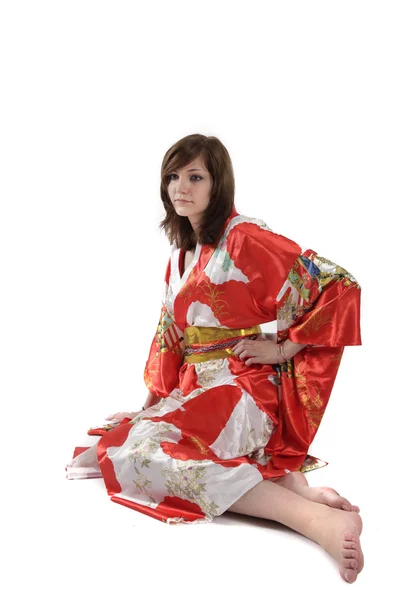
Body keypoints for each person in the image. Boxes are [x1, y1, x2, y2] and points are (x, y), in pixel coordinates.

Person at [66, 134, 363, 583]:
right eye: (173, 177)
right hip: (199, 388)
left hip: (244, 388)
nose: (180, 187)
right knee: (109, 448)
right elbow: (171, 337)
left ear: (217, 182)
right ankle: (292, 486)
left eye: (195, 176)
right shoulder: (181, 251)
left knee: (143, 455)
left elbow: (337, 285)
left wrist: (283, 347)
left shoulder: (243, 237)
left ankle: (310, 520)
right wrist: (148, 406)